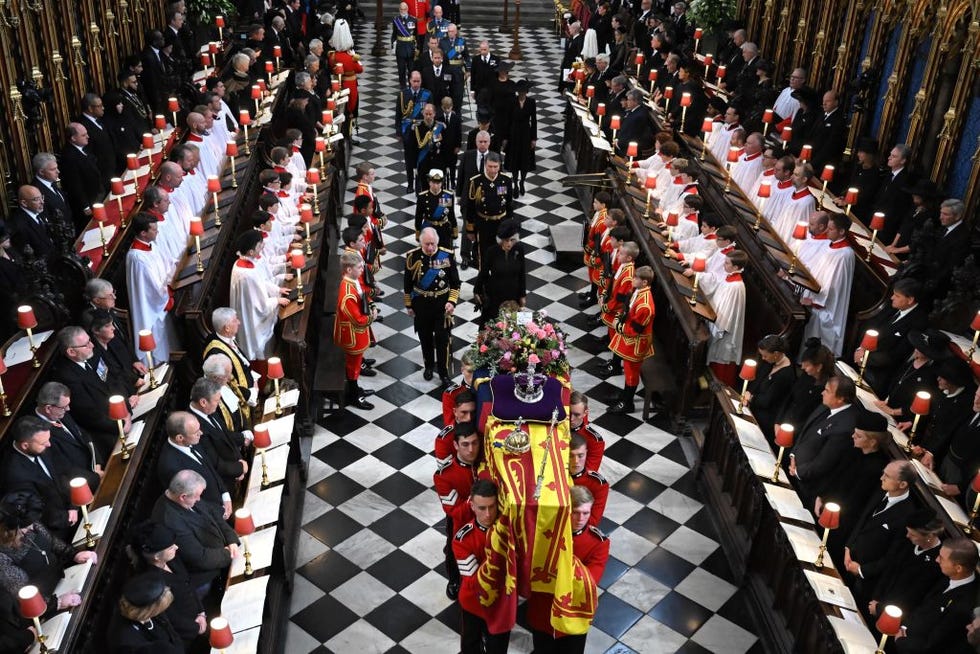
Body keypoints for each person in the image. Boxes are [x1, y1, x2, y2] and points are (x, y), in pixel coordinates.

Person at [527, 485, 609, 651]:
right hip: (544, 611)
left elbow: (589, 581)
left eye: (585, 513)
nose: (580, 518)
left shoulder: (598, 542)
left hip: (574, 615)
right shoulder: (543, 534)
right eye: (576, 512)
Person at [0, 491, 95, 614]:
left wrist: (74, 554)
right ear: (12, 529)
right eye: (28, 525)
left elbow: (52, 541)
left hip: (64, 579)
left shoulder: (30, 523)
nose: (33, 527)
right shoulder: (3, 556)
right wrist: (57, 603)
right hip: (46, 604)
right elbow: (24, 593)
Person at [49, 327, 132, 461]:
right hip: (104, 430)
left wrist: (125, 407)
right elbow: (88, 414)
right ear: (71, 351)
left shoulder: (92, 354)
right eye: (86, 344)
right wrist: (120, 425)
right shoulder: (67, 377)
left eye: (90, 341)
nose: (92, 345)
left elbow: (112, 381)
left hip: (122, 413)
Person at [150, 470, 239, 594]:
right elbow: (199, 557)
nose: (199, 499)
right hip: (206, 571)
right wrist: (229, 554)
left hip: (224, 549)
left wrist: (232, 540)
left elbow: (213, 513)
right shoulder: (169, 520)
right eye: (197, 496)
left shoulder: (187, 495)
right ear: (183, 496)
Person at [820, 410, 892, 551]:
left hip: (842, 520)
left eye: (858, 436)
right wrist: (822, 497)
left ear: (872, 442)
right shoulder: (853, 449)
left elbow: (855, 501)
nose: (853, 436)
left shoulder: (877, 468)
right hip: (828, 505)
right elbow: (835, 475)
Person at [452, 479, 511, 653]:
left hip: (501, 604)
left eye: (492, 507)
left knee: (498, 648)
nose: (487, 514)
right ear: (472, 506)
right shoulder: (462, 539)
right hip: (474, 603)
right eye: (482, 508)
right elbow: (473, 581)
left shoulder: (509, 532)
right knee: (471, 646)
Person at [843, 460, 917, 597]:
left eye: (887, 476)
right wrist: (848, 547)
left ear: (902, 484)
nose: (881, 478)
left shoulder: (907, 515)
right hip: (849, 558)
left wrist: (861, 570)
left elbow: (893, 556)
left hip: (866, 579)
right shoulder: (881, 490)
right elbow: (863, 519)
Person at [126, 521, 206, 645]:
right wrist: (196, 628)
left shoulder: (170, 558)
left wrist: (201, 612)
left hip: (198, 615)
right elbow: (172, 618)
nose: (176, 547)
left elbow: (188, 582)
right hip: (188, 635)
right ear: (156, 557)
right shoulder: (151, 583)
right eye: (170, 547)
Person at [894, 538, 978, 653]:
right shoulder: (947, 575)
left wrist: (902, 640)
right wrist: (903, 626)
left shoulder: (963, 605)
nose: (937, 560)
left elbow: (934, 644)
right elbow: (923, 604)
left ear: (958, 568)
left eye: (942, 558)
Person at [788, 376, 858, 509]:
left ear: (840, 398)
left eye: (827, 390)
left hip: (808, 484)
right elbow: (806, 431)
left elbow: (824, 462)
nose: (822, 392)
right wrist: (793, 454)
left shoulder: (845, 427)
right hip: (795, 467)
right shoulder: (826, 404)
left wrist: (798, 471)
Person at [852, 278, 929, 397]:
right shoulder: (892, 306)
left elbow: (897, 354)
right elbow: (871, 326)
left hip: (879, 373)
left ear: (910, 300)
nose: (892, 297)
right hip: (861, 357)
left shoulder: (919, 322)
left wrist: (865, 358)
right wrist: (861, 349)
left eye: (897, 296)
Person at [404, 227, 460, 385]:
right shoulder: (412, 257)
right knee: (425, 338)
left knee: (443, 340)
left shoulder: (447, 255)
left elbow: (455, 283)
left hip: (442, 305)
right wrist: (409, 305)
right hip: (421, 305)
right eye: (427, 244)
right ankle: (428, 366)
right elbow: (407, 284)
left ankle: (444, 373)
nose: (430, 247)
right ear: (421, 242)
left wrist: (452, 301)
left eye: (433, 244)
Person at [866, 510, 944, 623]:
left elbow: (914, 595)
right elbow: (889, 569)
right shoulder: (907, 542)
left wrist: (881, 609)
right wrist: (876, 599)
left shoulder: (936, 562)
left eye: (913, 534)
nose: (907, 536)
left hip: (895, 616)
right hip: (877, 601)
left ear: (929, 536)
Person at [435, 423, 483, 601]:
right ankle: (454, 580)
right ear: (455, 445)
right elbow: (455, 512)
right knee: (454, 553)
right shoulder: (444, 475)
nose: (471, 450)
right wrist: (477, 497)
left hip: (486, 524)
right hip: (462, 526)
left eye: (475, 443)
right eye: (465, 444)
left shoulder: (485, 463)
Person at [799, 212, 855, 356]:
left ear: (841, 231)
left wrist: (814, 300)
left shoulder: (845, 254)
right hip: (814, 296)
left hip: (826, 306)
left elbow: (835, 285)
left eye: (830, 229)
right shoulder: (829, 245)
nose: (826, 231)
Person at [229, 231, 290, 362]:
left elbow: (261, 282)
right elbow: (260, 306)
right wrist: (277, 300)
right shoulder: (247, 274)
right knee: (259, 345)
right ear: (251, 252)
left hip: (248, 308)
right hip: (251, 316)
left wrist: (278, 289)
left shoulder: (243, 263)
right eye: (259, 246)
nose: (262, 247)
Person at [33, 382, 103, 492]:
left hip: (95, 468)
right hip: (83, 484)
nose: (68, 409)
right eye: (64, 407)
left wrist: (97, 463)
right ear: (48, 408)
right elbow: (64, 468)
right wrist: (96, 477)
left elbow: (84, 436)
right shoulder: (40, 434)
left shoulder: (59, 413)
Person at [188, 378, 250, 496]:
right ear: (203, 402)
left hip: (235, 468)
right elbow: (214, 462)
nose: (219, 403)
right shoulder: (194, 426)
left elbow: (225, 434)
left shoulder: (209, 410)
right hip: (224, 483)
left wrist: (240, 457)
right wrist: (239, 468)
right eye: (217, 400)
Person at [125, 213, 173, 363]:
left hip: (162, 297)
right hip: (152, 309)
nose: (157, 231)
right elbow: (149, 289)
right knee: (159, 345)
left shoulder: (151, 245)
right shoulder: (137, 257)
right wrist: (167, 295)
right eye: (154, 229)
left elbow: (167, 264)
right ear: (143, 233)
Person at [608, 265, 655, 414]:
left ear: (645, 282)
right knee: (629, 371)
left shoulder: (645, 306)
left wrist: (618, 327)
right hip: (631, 338)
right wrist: (618, 319)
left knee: (631, 372)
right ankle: (625, 395)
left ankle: (627, 403)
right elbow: (628, 310)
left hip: (637, 343)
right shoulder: (638, 292)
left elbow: (635, 330)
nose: (632, 279)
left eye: (636, 278)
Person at [697, 250, 748, 387]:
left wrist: (716, 327)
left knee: (720, 361)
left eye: (727, 263)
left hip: (724, 333)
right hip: (714, 321)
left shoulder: (736, 287)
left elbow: (728, 313)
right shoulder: (728, 279)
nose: (723, 265)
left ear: (736, 267)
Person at [335, 252, 378, 409]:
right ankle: (353, 395)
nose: (362, 270)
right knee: (353, 367)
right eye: (359, 267)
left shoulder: (354, 281)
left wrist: (371, 305)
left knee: (356, 364)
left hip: (357, 333)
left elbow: (364, 296)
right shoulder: (347, 294)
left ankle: (356, 389)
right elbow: (358, 320)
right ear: (348, 270)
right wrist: (372, 317)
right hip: (352, 335)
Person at [202, 307, 259, 424]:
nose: (239, 322)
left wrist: (254, 378)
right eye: (235, 320)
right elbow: (228, 384)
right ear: (227, 328)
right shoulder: (217, 354)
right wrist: (252, 393)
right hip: (242, 401)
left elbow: (242, 363)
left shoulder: (225, 338)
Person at [106, 573, 185, 653]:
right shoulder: (127, 641)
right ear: (150, 610)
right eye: (159, 610)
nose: (161, 612)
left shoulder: (150, 606)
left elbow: (171, 631)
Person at [474, 220, 526, 328]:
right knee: (493, 328)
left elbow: (522, 273)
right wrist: (477, 290)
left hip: (513, 296)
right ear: (501, 239)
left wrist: (522, 295)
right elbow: (483, 272)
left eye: (512, 240)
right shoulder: (492, 252)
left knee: (515, 330)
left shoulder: (519, 250)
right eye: (506, 240)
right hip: (495, 296)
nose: (509, 244)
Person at [744, 335, 796, 443]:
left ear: (776, 354)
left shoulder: (786, 374)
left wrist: (751, 398)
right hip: (755, 403)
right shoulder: (770, 361)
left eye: (765, 356)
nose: (763, 358)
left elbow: (768, 401)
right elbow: (757, 379)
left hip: (766, 416)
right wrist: (749, 392)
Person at [466, 152, 514, 269]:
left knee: (501, 255)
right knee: (484, 255)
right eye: (490, 166)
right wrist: (470, 230)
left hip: (501, 224)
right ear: (485, 165)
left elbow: (509, 205)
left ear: (499, 165)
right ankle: (484, 282)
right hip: (484, 225)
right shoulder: (476, 182)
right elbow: (470, 207)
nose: (493, 170)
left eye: (495, 167)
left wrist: (510, 227)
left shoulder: (506, 180)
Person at [457, 130, 497, 268]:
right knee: (467, 227)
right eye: (480, 141)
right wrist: (459, 196)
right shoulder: (467, 156)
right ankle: (465, 256)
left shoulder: (494, 157)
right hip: (468, 200)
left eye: (485, 142)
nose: (483, 144)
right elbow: (461, 176)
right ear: (476, 142)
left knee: (485, 228)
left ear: (489, 143)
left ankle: (482, 254)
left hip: (487, 201)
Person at [329, 19, 364, 135]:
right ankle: (349, 134)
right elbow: (360, 70)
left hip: (338, 86)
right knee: (351, 110)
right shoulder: (351, 57)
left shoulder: (332, 56)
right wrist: (355, 57)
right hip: (351, 86)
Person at [568, 433, 609, 527]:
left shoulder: (598, 484)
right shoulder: (555, 475)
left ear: (586, 453)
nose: (576, 461)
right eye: (571, 456)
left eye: (580, 455)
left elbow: (593, 521)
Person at [505, 79, 537, 196]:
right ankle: (515, 184)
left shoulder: (531, 102)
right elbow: (507, 120)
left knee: (524, 160)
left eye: (523, 91)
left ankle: (522, 182)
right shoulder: (511, 101)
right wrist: (506, 138)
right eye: (520, 91)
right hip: (513, 133)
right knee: (514, 160)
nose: (522, 93)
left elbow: (534, 121)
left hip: (526, 134)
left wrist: (534, 139)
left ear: (527, 91)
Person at [415, 169, 458, 248]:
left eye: (438, 183)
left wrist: (454, 228)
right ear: (429, 182)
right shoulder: (423, 197)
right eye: (433, 182)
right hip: (428, 229)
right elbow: (418, 216)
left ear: (442, 183)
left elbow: (451, 214)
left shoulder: (447, 196)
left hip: (443, 230)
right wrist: (418, 231)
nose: (436, 186)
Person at [570, 391, 604, 472]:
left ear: (585, 413)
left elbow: (588, 472)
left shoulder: (594, 440)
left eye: (577, 415)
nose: (571, 419)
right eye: (569, 413)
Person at [392, 3, 420, 88]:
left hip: (410, 48)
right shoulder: (396, 20)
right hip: (400, 48)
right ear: (399, 10)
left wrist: (417, 48)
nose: (403, 11)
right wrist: (393, 46)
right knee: (401, 70)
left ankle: (411, 87)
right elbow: (394, 34)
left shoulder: (413, 20)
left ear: (407, 9)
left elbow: (416, 35)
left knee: (411, 69)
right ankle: (403, 87)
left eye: (404, 9)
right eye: (401, 9)